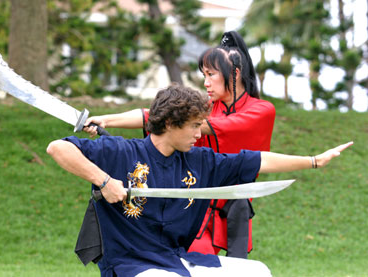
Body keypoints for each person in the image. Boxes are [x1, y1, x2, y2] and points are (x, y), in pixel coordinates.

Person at [47, 85, 352, 277]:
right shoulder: (119, 152)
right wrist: (103, 180)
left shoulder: (201, 161)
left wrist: (313, 161)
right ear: (169, 123)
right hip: (129, 265)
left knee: (257, 271)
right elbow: (58, 148)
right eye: (194, 126)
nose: (199, 134)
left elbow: (259, 159)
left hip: (175, 259)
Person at [84, 31, 276, 258]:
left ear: (234, 73)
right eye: (203, 75)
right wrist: (107, 120)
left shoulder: (261, 111)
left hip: (225, 208)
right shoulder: (208, 106)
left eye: (211, 75)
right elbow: (159, 115)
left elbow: (180, 120)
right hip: (187, 202)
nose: (205, 83)